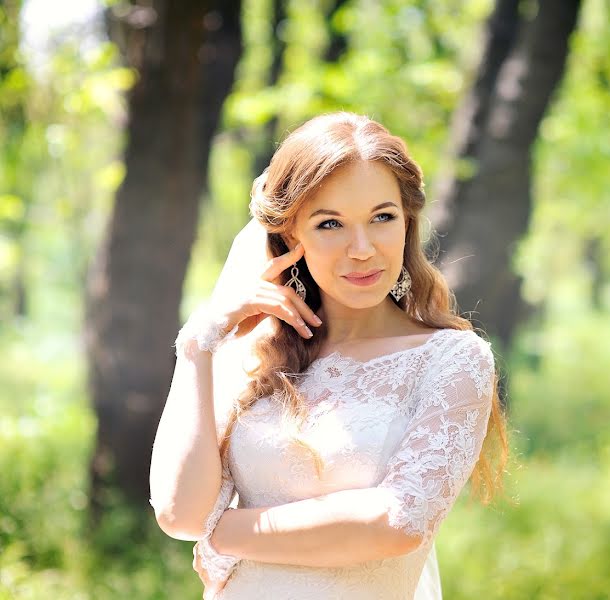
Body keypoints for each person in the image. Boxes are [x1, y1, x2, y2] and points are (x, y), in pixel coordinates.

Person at [149, 111, 509, 599]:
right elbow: (180, 514)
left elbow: (395, 522)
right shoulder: (256, 353)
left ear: (407, 224)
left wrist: (227, 533)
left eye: (382, 218)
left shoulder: (451, 359)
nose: (361, 249)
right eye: (330, 224)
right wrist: (199, 341)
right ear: (293, 235)